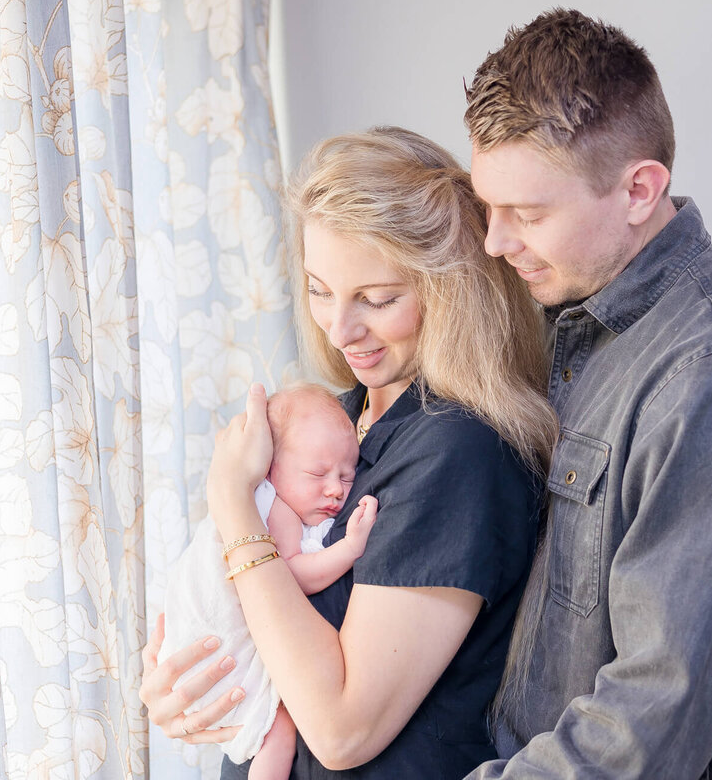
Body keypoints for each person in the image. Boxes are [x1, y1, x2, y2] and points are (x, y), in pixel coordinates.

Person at [462, 9, 712, 779]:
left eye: (526, 214)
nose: (496, 243)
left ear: (639, 189)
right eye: (487, 209)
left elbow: (650, 725)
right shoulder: (564, 319)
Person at [139, 126, 561, 778]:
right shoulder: (333, 422)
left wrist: (232, 501)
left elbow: (340, 730)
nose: (340, 330)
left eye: (377, 298)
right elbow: (268, 629)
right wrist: (192, 687)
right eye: (319, 288)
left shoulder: (460, 453)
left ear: (448, 290)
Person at [158, 383, 378, 779]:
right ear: (270, 466)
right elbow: (286, 575)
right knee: (281, 725)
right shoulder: (273, 507)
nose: (335, 489)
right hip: (212, 638)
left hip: (188, 661)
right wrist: (349, 548)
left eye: (348, 476)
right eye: (317, 473)